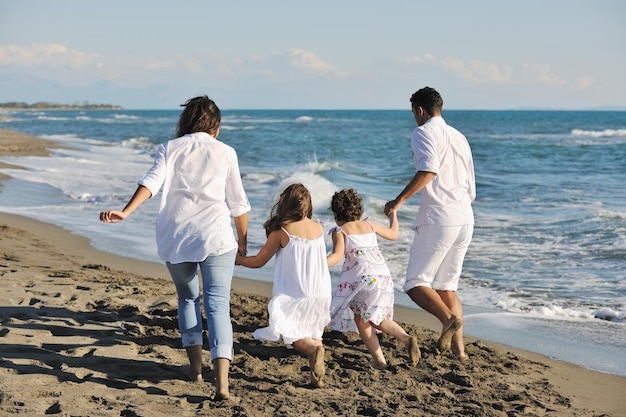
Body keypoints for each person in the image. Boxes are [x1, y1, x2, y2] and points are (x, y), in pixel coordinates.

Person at [99, 95, 250, 400]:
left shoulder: (170, 148)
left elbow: (151, 182)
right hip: (216, 236)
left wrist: (126, 211)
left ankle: (195, 370)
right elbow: (238, 202)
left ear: (187, 123)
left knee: (188, 299)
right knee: (218, 305)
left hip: (177, 235)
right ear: (216, 127)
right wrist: (243, 243)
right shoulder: (226, 152)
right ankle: (221, 384)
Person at [384, 87, 475, 361]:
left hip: (440, 216)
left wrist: (397, 202)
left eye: (414, 112)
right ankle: (460, 353)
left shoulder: (423, 132)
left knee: (414, 283)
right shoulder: (460, 137)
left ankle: (448, 320)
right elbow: (470, 183)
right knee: (447, 287)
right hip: (466, 217)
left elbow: (429, 169)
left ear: (419, 110)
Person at [235, 183, 331, 388]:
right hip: (320, 292)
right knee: (314, 331)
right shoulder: (318, 228)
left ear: (285, 204)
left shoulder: (282, 231)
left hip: (294, 292)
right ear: (307, 207)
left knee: (293, 333)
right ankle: (317, 379)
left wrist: (237, 260)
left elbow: (259, 261)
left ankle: (314, 352)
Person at [327, 188, 421, 369]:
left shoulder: (339, 231)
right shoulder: (369, 224)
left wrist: (319, 263)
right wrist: (393, 215)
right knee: (375, 316)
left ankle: (379, 360)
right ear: (359, 211)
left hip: (361, 279)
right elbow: (393, 234)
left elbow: (337, 256)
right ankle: (406, 338)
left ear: (336, 214)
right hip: (382, 277)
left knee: (361, 320)